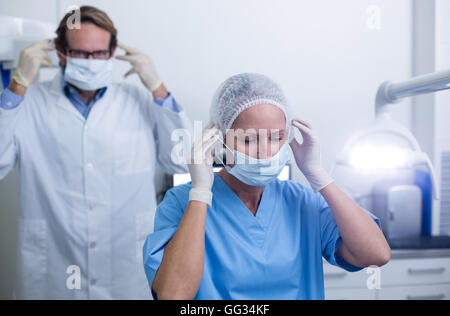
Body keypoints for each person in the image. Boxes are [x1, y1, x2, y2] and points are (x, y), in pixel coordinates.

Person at [0, 6, 192, 299]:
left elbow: (181, 159)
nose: (90, 61)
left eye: (99, 53)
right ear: (60, 53)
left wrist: (158, 87)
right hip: (52, 269)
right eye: (80, 54)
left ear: (112, 52)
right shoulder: (30, 102)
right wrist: (16, 86)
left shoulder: (139, 100)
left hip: (124, 270)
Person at [143, 73, 390, 300]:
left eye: (276, 137)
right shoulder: (182, 203)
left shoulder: (302, 201)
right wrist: (200, 192)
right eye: (249, 139)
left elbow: (376, 254)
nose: (264, 152)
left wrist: (320, 177)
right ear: (219, 140)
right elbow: (173, 295)